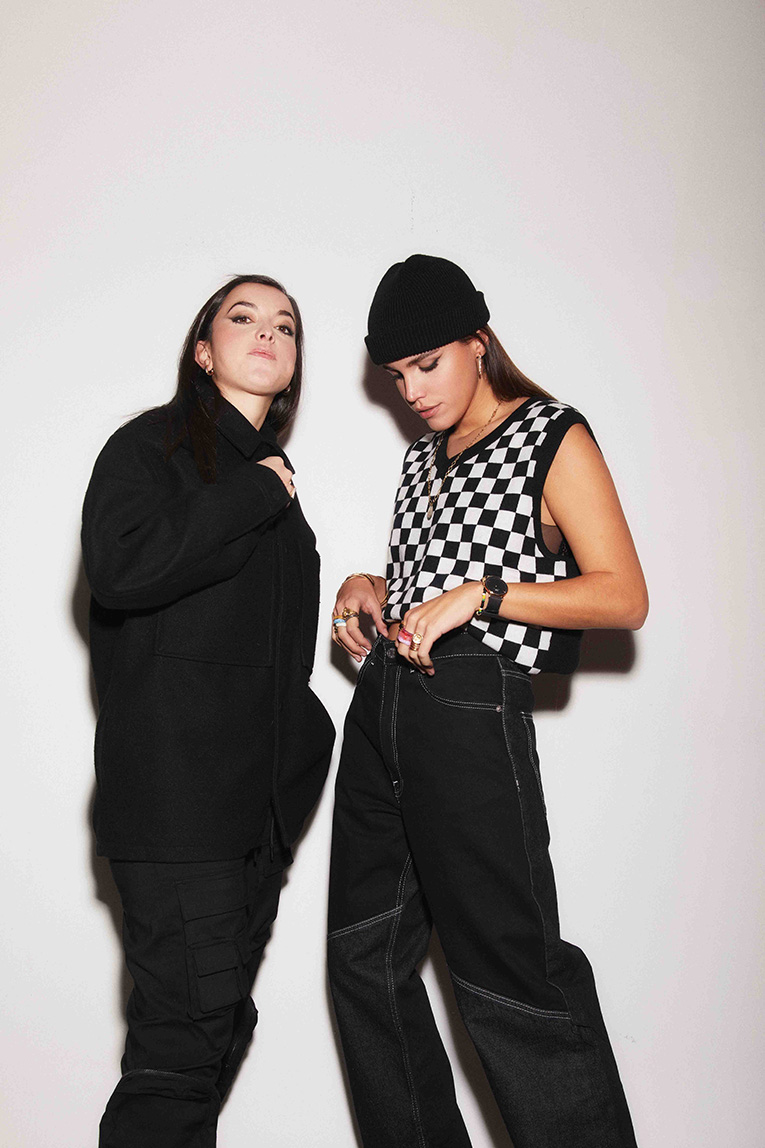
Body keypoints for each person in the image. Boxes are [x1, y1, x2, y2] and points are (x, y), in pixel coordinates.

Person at [327, 254, 647, 1148]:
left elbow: (622, 595)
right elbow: (433, 580)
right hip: (384, 710)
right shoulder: (420, 460)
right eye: (396, 375)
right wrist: (371, 588)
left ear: (476, 341)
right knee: (363, 963)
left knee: (508, 976)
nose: (411, 391)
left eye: (426, 364)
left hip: (467, 711)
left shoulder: (549, 434)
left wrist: (484, 596)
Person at [81, 274, 335, 1148]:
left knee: (211, 1032)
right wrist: (258, 492)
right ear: (202, 349)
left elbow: (264, 654)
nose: (267, 332)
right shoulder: (151, 449)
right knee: (183, 1046)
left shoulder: (276, 489)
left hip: (254, 818)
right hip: (176, 806)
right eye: (243, 317)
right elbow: (121, 569)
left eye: (285, 326)